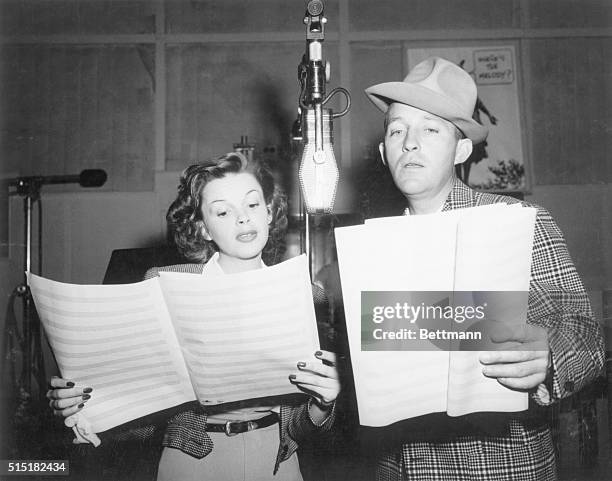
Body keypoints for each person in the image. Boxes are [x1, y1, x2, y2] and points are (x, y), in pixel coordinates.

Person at [363, 56, 605, 480]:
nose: (410, 143)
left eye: (430, 128)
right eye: (397, 129)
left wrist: (548, 358)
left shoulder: (516, 221)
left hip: (498, 467)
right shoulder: (369, 247)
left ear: (461, 149)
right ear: (384, 152)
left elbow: (587, 336)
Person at [46, 152, 340, 481]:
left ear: (269, 213)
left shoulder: (307, 295)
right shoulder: (163, 284)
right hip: (192, 458)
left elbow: (304, 427)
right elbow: (143, 413)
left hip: (276, 460)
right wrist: (88, 407)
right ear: (203, 229)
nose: (243, 218)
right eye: (223, 211)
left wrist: (323, 403)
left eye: (253, 205)